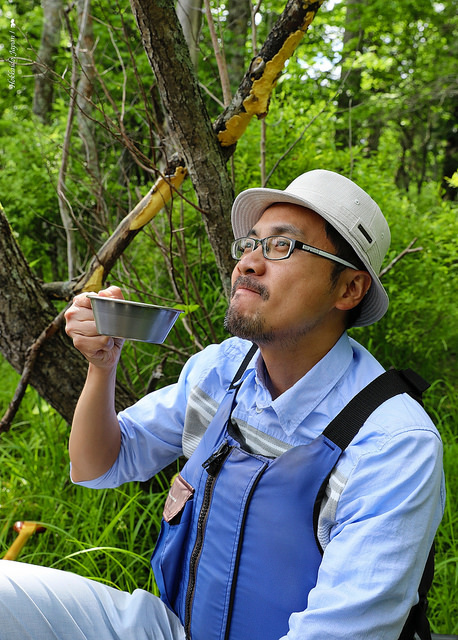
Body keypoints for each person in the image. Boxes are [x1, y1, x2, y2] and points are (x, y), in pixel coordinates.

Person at [0, 169, 444, 640]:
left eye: (283, 246)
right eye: (250, 244)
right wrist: (102, 366)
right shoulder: (223, 370)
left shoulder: (392, 443)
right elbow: (100, 464)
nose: (250, 263)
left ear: (349, 289)